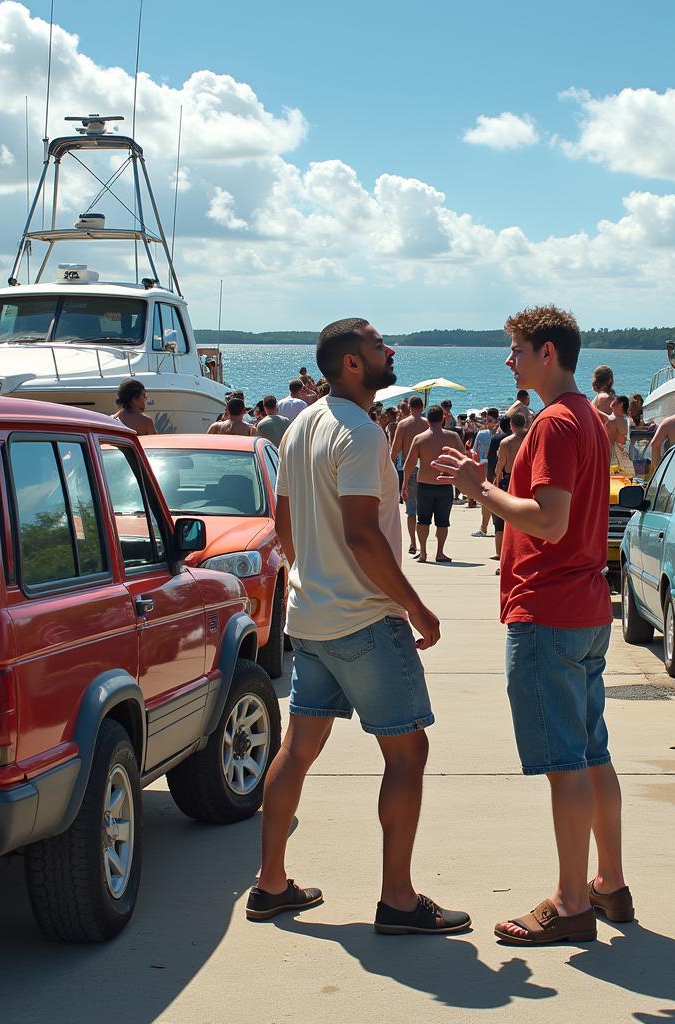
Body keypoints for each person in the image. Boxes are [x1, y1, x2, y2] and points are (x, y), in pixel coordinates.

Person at [249, 317, 469, 935]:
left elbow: (284, 525)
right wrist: (417, 607)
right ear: (351, 363)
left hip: (311, 616)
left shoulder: (301, 427)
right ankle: (397, 900)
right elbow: (363, 535)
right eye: (378, 346)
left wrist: (309, 576)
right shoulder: (361, 434)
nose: (389, 350)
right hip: (364, 618)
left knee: (298, 749)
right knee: (407, 752)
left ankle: (270, 884)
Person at [433, 304, 629, 946]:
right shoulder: (591, 420)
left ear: (548, 353)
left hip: (548, 609)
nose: (508, 360)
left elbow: (547, 519)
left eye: (515, 348)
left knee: (566, 762)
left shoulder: (552, 425)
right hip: (586, 608)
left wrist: (478, 486)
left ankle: (572, 903)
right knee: (591, 750)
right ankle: (607, 884)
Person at [403, 405, 466, 563]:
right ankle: (440, 553)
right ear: (443, 418)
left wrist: (404, 485)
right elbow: (463, 460)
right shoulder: (452, 437)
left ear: (428, 420)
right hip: (445, 484)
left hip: (424, 484)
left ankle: (423, 553)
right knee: (443, 522)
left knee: (423, 520)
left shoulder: (420, 438)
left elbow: (408, 465)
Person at [391, 396, 429, 555]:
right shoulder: (428, 423)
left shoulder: (403, 424)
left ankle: (413, 542)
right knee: (424, 509)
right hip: (427, 468)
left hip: (409, 467)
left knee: (411, 509)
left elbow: (395, 450)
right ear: (422, 407)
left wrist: (388, 467)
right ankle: (423, 544)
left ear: (409, 407)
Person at [491, 413, 528, 572]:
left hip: (508, 480)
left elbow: (501, 465)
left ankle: (501, 561)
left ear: (511, 425)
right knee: (523, 522)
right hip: (526, 480)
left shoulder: (506, 442)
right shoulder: (529, 439)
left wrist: (496, 481)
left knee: (501, 522)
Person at [471, 408, 499, 537]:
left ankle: (484, 527)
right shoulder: (502, 434)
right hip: (499, 468)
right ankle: (499, 528)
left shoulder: (482, 434)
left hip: (484, 467)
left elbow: (474, 452)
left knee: (486, 498)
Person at [487, 415, 510, 561]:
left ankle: (498, 552)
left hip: (501, 479)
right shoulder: (522, 437)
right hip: (514, 478)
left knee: (499, 520)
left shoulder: (497, 439)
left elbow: (492, 460)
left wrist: (490, 478)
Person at [607, 394, 634, 473]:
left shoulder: (614, 421)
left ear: (620, 404)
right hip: (623, 461)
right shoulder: (627, 420)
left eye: (615, 400)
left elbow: (608, 443)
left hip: (613, 462)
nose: (612, 401)